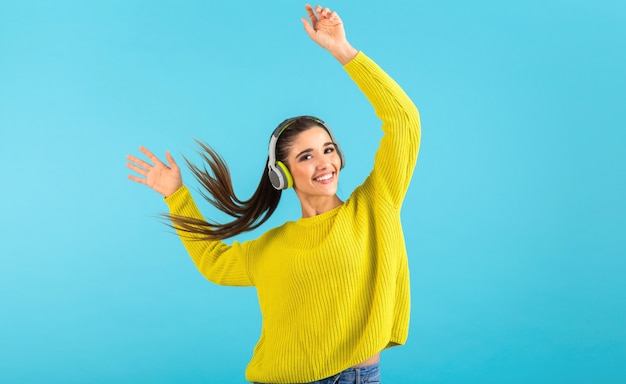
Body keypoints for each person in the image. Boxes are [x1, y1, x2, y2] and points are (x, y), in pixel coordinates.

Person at [126, 4, 420, 383]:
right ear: (282, 174)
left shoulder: (375, 206)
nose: (323, 163)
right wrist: (176, 194)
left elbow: (404, 121)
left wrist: (343, 51)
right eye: (306, 156)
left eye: (328, 149)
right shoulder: (273, 246)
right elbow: (214, 263)